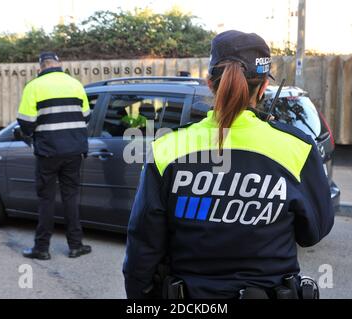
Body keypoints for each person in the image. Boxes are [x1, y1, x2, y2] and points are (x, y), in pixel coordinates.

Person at [123, 30, 334, 299]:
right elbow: (313, 233)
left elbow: (143, 248)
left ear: (210, 84)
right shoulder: (297, 148)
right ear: (264, 87)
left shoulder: (166, 148)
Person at [17, 52, 92, 260]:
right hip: (74, 151)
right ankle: (76, 245)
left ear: (40, 67)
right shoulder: (75, 84)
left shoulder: (33, 87)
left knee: (46, 200)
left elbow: (25, 122)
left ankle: (41, 248)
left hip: (48, 152)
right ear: (60, 65)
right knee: (70, 198)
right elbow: (86, 117)